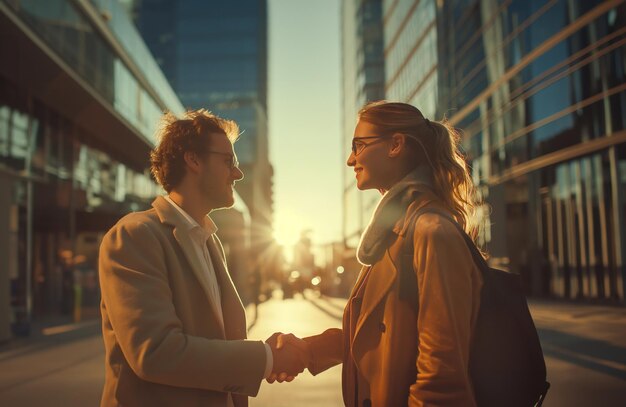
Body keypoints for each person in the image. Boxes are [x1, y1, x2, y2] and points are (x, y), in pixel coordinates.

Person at [267, 101, 484, 406]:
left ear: (396, 144)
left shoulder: (431, 231)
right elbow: (384, 336)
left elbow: (442, 378)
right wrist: (308, 351)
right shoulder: (397, 231)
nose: (350, 159)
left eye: (359, 145)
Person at [98, 109, 301, 407]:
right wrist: (266, 358)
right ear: (193, 160)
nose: (238, 173)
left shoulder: (209, 241)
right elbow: (156, 353)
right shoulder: (135, 235)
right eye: (228, 161)